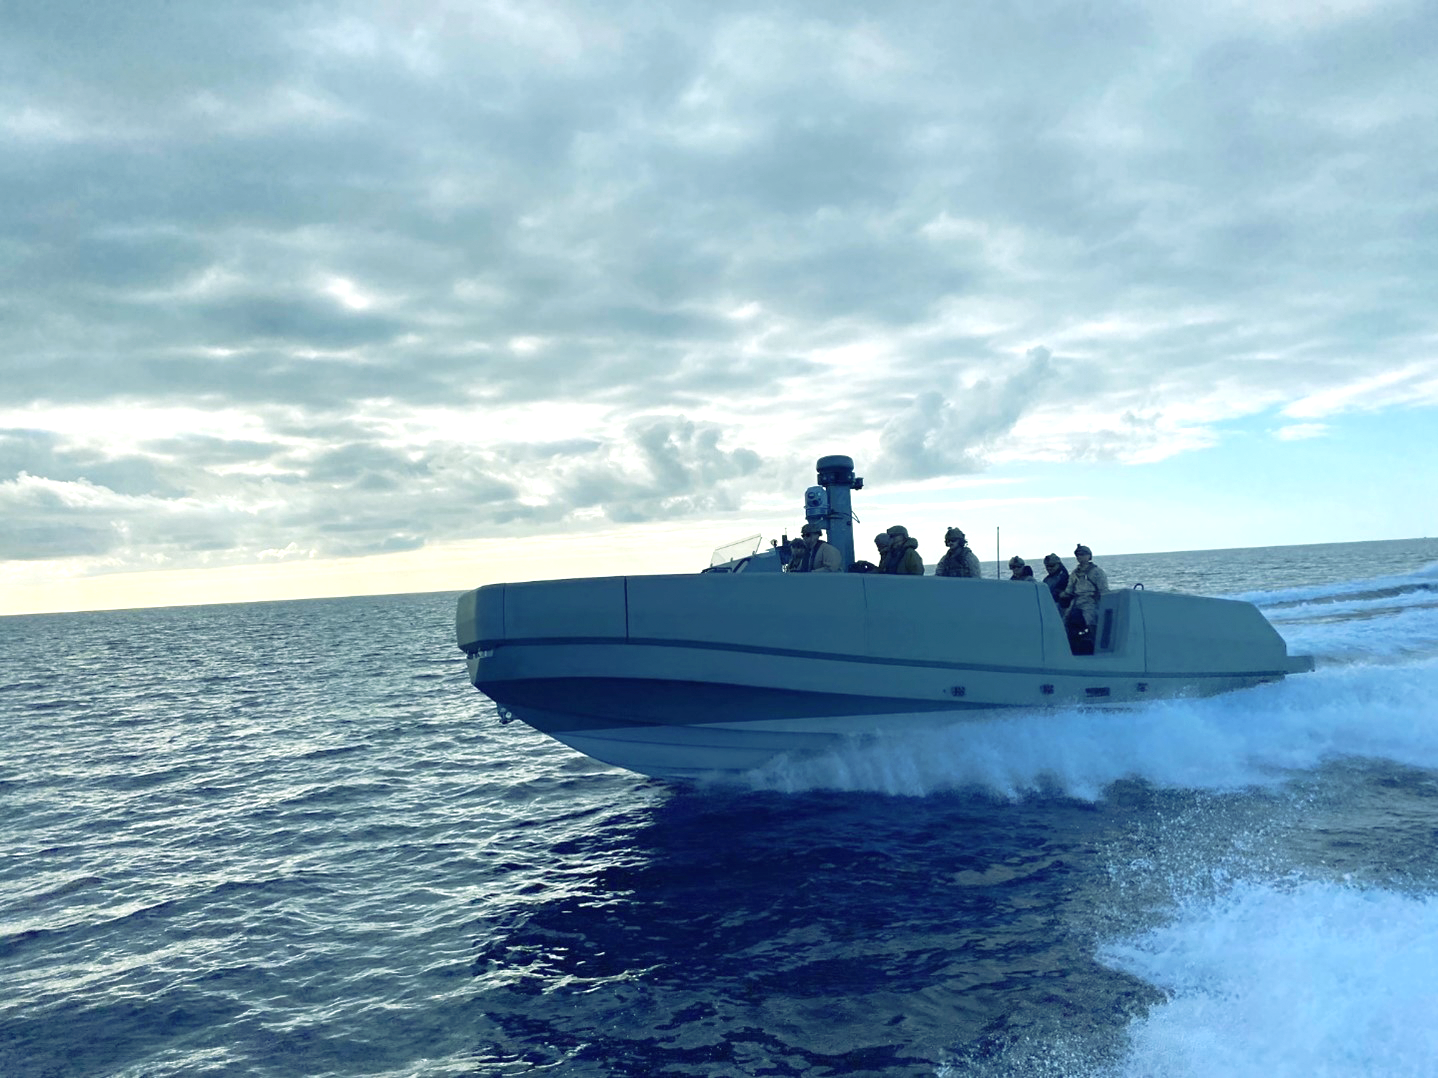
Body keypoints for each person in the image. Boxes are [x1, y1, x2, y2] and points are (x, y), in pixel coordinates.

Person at [1059, 544, 1109, 653]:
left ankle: (1096, 646)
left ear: (1089, 556)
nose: (1079, 557)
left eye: (1082, 554)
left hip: (1090, 601)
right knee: (1064, 622)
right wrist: (1063, 594)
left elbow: (1104, 590)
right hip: (1076, 601)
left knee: (1091, 621)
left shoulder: (1097, 572)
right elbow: (1069, 589)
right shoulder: (1075, 573)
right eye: (1078, 555)